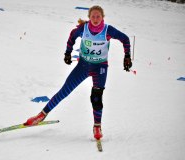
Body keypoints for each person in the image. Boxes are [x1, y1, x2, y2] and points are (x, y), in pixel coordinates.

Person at [24, 5, 132, 140]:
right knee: (64, 91)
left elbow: (125, 39)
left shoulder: (108, 30)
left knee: (96, 98)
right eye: (93, 16)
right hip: (83, 66)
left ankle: (97, 126)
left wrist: (127, 56)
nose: (95, 19)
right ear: (89, 17)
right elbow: (72, 36)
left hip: (100, 68)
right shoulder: (84, 28)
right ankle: (41, 115)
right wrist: (68, 52)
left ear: (102, 17)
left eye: (98, 16)